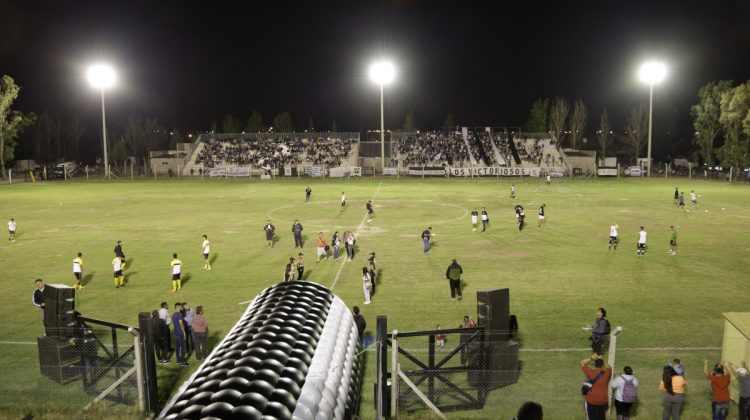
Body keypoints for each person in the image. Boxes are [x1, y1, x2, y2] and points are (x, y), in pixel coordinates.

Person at [581, 354, 612, 420]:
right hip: (603, 401)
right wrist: (602, 359)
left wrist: (592, 358)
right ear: (602, 365)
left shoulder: (591, 373)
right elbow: (609, 367)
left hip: (591, 401)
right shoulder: (607, 373)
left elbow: (582, 363)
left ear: (595, 365)